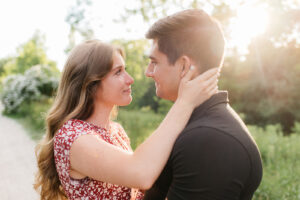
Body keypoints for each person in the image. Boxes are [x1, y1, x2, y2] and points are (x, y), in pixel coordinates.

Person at [34, 39, 219, 200]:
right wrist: (184, 102)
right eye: (118, 72)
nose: (130, 79)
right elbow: (141, 174)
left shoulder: (116, 131)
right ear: (91, 83)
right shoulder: (72, 138)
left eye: (125, 70)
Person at [143, 9, 263, 200]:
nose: (148, 72)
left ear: (184, 66)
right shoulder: (194, 121)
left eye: (154, 62)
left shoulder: (210, 140)